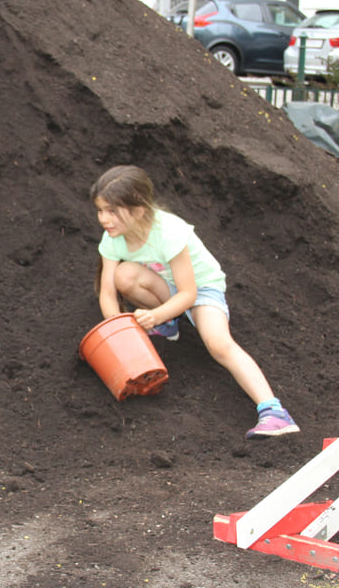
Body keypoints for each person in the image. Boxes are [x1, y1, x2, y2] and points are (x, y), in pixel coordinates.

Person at [90, 164, 299, 438]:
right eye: (100, 210)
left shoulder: (169, 231)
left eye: (112, 211)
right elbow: (107, 292)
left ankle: (274, 412)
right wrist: (119, 337)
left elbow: (188, 293)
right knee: (125, 275)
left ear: (139, 209)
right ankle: (170, 324)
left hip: (201, 290)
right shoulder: (112, 239)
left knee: (219, 345)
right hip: (165, 288)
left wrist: (155, 315)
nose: (104, 219)